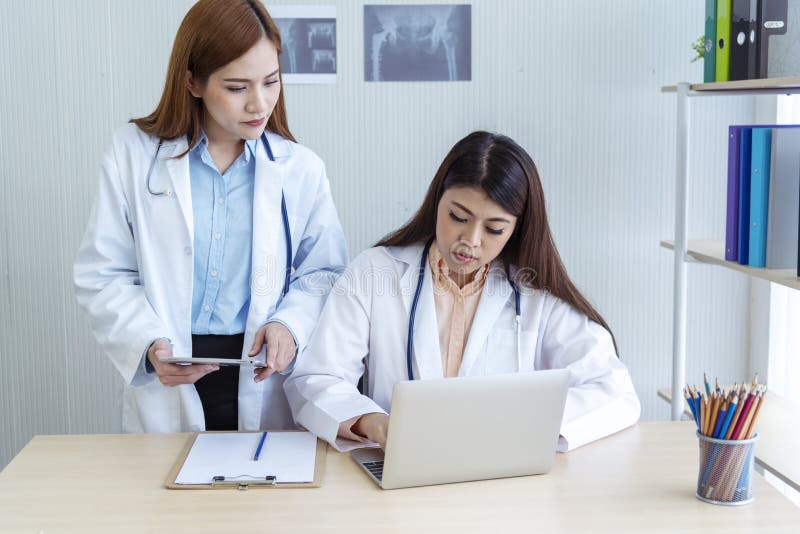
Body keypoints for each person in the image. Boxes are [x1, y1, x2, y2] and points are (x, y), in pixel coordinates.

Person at [73, 0, 347, 433]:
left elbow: (324, 272)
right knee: (165, 497)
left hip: (259, 371)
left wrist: (288, 326)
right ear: (193, 81)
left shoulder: (301, 169)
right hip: (171, 369)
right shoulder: (132, 154)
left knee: (259, 494)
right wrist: (146, 344)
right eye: (238, 88)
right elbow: (104, 273)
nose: (260, 103)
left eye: (271, 81)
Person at [285, 131, 640, 451]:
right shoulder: (376, 272)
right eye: (458, 217)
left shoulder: (533, 291)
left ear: (517, 228)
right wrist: (376, 424)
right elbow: (317, 379)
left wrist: (524, 425)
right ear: (437, 200)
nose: (470, 241)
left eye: (494, 229)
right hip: (402, 465)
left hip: (500, 475)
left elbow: (614, 391)